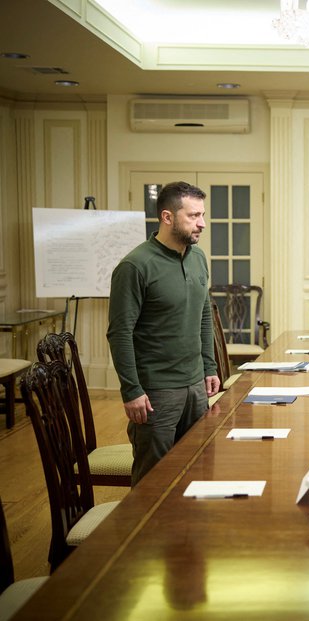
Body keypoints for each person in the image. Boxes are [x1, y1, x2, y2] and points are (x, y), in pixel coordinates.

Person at [107, 181, 220, 485]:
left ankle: (188, 533)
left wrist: (209, 366)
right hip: (156, 392)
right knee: (153, 482)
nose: (202, 223)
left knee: (198, 470)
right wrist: (131, 390)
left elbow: (203, 314)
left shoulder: (198, 258)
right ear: (167, 217)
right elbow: (120, 333)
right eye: (194, 216)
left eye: (203, 214)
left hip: (196, 386)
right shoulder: (134, 266)